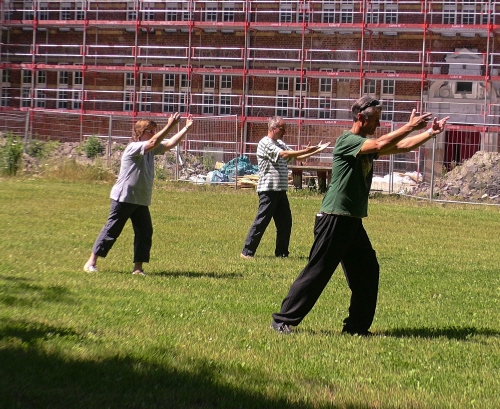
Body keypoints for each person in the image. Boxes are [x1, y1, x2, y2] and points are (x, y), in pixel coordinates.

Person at [270, 96, 449, 335]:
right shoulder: (348, 140)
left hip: (351, 220)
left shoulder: (364, 143)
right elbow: (378, 145)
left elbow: (401, 146)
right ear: (361, 118)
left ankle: (356, 328)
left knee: (367, 272)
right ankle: (282, 320)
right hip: (334, 217)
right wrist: (408, 126)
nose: (378, 125)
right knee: (317, 272)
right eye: (375, 119)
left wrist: (429, 133)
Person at [83, 112, 194, 275]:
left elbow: (169, 143)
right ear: (140, 133)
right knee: (112, 230)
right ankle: (91, 262)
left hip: (140, 200)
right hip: (125, 197)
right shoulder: (134, 148)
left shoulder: (151, 149)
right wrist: (170, 125)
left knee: (144, 232)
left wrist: (186, 128)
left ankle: (138, 269)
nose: (153, 133)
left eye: (154, 130)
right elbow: (153, 141)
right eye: (150, 130)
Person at [241, 116, 326, 259]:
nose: (285, 131)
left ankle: (281, 253)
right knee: (262, 221)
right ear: (273, 129)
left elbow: (296, 157)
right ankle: (247, 252)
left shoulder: (279, 142)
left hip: (280, 190)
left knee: (285, 222)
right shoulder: (265, 143)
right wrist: (306, 150)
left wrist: (314, 151)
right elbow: (285, 154)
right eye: (282, 128)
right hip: (268, 190)